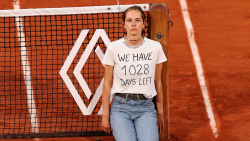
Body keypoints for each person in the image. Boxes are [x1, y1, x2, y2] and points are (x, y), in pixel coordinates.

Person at [101, 5, 167, 141]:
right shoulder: (114, 48)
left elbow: (158, 82)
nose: (133, 24)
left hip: (146, 108)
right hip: (120, 108)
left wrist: (160, 112)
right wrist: (105, 116)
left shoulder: (155, 48)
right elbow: (107, 83)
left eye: (137, 20)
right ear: (124, 24)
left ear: (144, 24)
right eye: (129, 20)